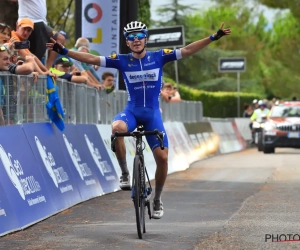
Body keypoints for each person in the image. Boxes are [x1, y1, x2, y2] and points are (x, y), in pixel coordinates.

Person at [47, 21, 231, 219]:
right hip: (132, 112)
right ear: (127, 42)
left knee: (162, 158)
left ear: (146, 38)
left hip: (152, 115)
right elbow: (91, 57)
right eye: (131, 37)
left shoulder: (159, 56)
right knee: (117, 127)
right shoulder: (122, 60)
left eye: (139, 36)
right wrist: (64, 51)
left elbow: (186, 50)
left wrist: (213, 37)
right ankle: (125, 172)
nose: (136, 40)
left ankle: (158, 199)